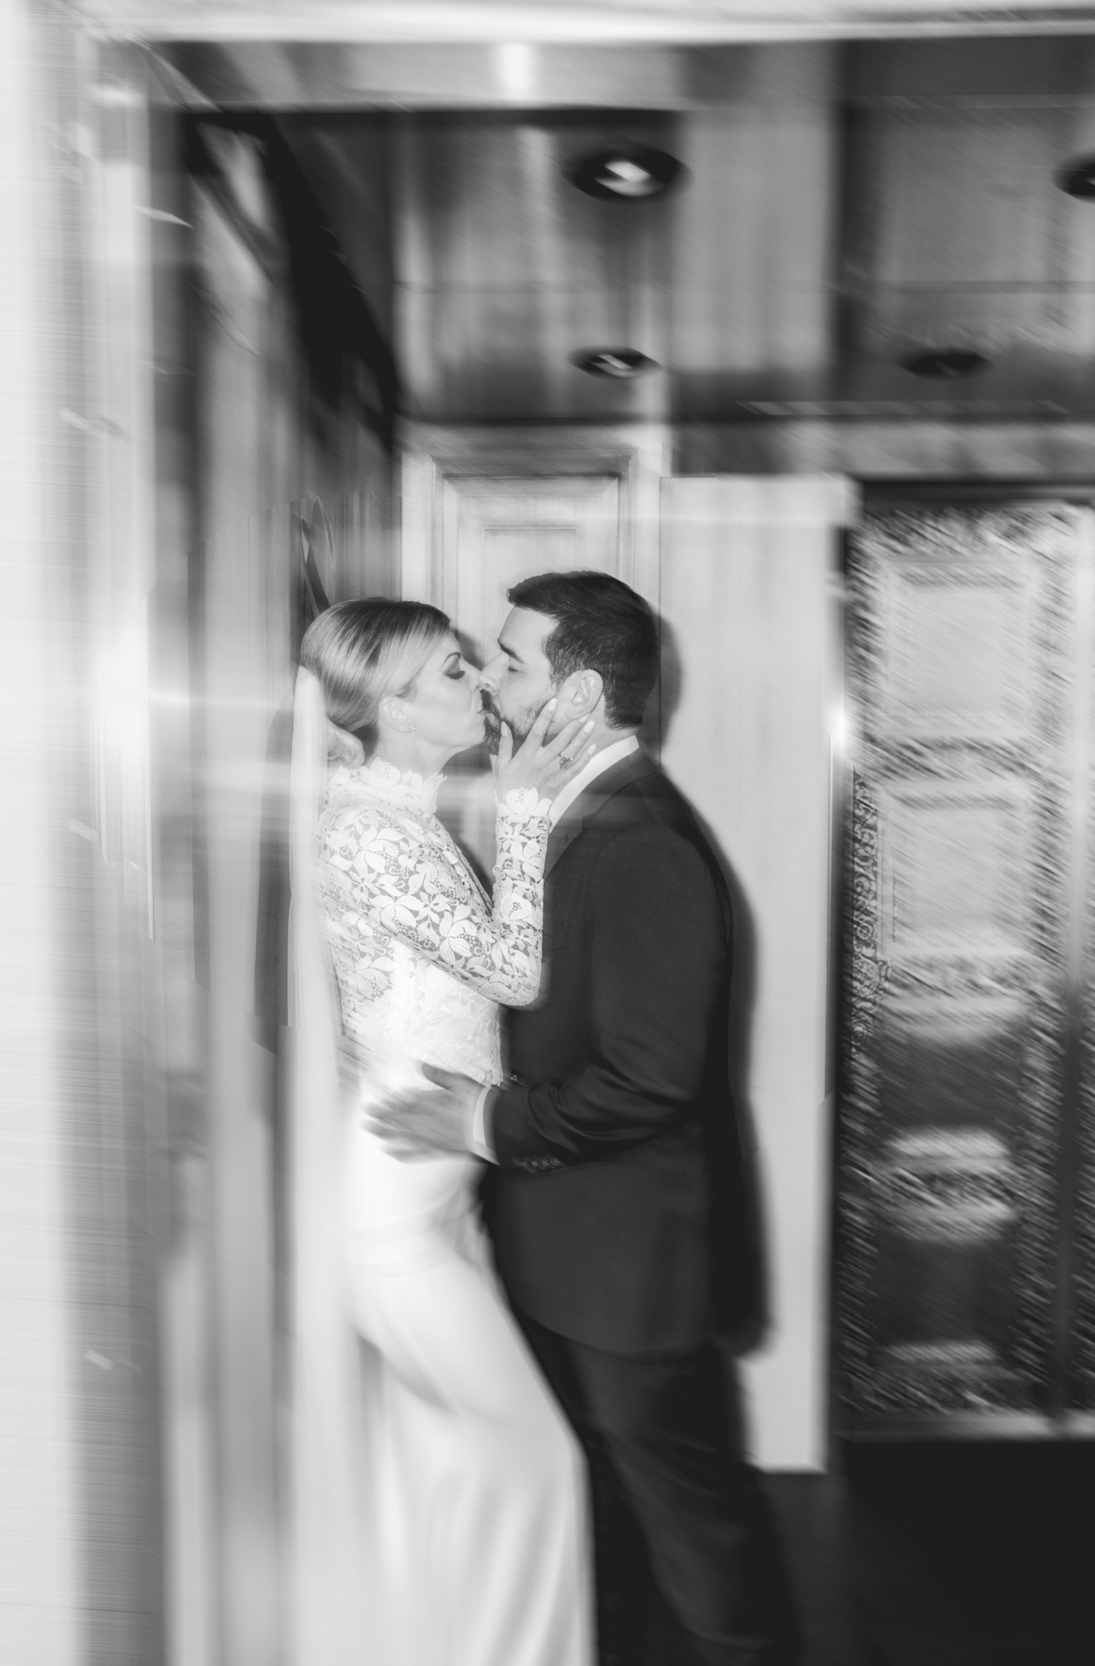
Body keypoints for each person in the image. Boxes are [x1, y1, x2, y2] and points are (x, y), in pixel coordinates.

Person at [371, 572, 802, 1666]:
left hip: (630, 1273)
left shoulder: (644, 839)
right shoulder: (563, 810)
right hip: (568, 1251)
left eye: (511, 660)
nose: (490, 673)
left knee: (695, 1533)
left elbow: (650, 1078)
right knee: (600, 1511)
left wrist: (483, 1120)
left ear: (577, 694)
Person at [287, 597, 597, 1666]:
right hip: (396, 1212)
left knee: (437, 1459)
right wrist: (521, 809)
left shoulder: (396, 814)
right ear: (390, 707)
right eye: (454, 674)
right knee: (538, 1456)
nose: (481, 684)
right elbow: (510, 971)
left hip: (437, 1183)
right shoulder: (370, 830)